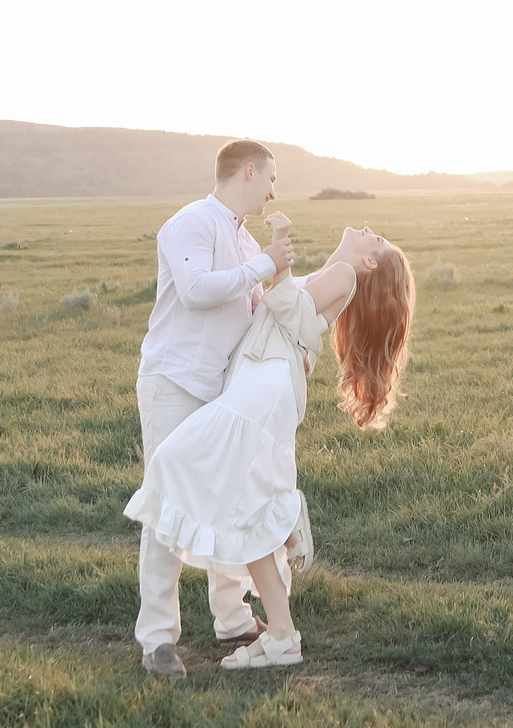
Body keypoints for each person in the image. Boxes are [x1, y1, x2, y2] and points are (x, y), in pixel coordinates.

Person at [124, 221, 414, 670]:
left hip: (263, 389)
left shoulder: (345, 275)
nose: (368, 229)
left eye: (375, 238)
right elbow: (285, 313)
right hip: (260, 383)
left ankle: (281, 613)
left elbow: (288, 306)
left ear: (370, 261)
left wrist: (278, 259)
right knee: (238, 494)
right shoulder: (334, 274)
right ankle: (280, 627)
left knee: (189, 467)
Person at [130, 140, 297, 677]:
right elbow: (198, 290)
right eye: (271, 178)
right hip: (173, 382)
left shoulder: (246, 239)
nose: (274, 190)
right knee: (167, 507)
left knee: (229, 501)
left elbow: (248, 313)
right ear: (249, 171)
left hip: (221, 392)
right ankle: (157, 640)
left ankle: (231, 618)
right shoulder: (192, 222)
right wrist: (267, 264)